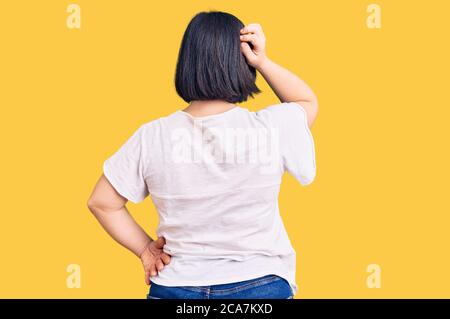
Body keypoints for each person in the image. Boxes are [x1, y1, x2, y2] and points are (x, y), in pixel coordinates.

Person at [87, 10, 318, 299]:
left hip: (176, 287)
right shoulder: (269, 127)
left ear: (186, 63)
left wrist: (146, 250)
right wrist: (263, 61)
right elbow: (305, 100)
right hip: (261, 285)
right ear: (241, 63)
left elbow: (102, 203)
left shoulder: (152, 135)